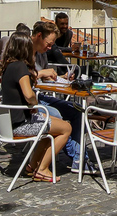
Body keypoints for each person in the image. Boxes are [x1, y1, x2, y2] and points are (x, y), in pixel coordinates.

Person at [0, 32, 71, 182]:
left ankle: (32, 166)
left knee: (52, 127)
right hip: (20, 124)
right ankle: (42, 168)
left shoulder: (8, 66)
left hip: (9, 122)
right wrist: (34, 104)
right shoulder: (20, 67)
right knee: (66, 128)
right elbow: (28, 95)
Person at [31, 20, 95, 174]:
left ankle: (79, 159)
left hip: (39, 95)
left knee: (76, 111)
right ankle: (77, 158)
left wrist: (60, 77)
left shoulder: (41, 53)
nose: (50, 47)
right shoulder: (23, 51)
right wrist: (41, 74)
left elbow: (41, 78)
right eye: (49, 43)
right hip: (31, 101)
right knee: (58, 116)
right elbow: (20, 77)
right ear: (39, 36)